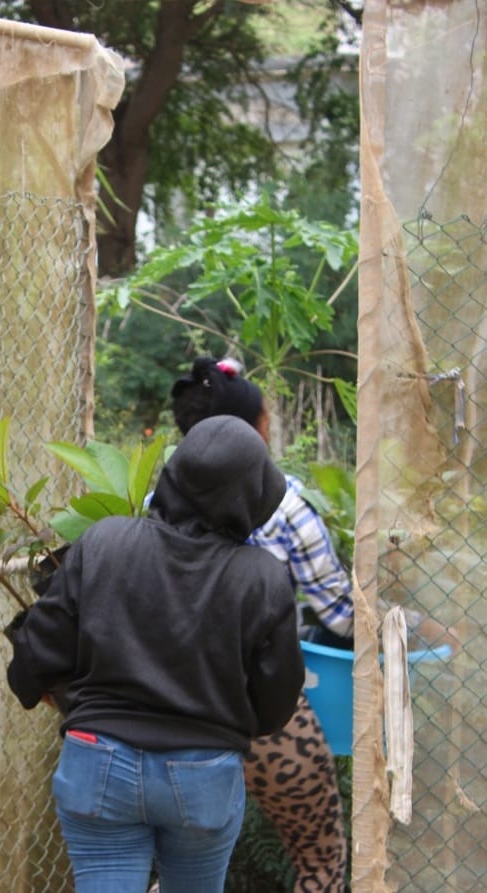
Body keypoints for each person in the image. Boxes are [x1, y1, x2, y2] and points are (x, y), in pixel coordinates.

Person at [7, 414, 305, 893]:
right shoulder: (263, 578)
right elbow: (276, 703)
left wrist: (31, 686)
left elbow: (40, 649)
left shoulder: (104, 541)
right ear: (252, 495)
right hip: (203, 777)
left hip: (98, 763)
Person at [171, 356, 352, 893]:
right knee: (321, 862)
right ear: (252, 432)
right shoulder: (287, 504)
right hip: (262, 711)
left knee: (182, 867)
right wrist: (412, 626)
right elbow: (340, 613)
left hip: (171, 701)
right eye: (267, 419)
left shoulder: (159, 501)